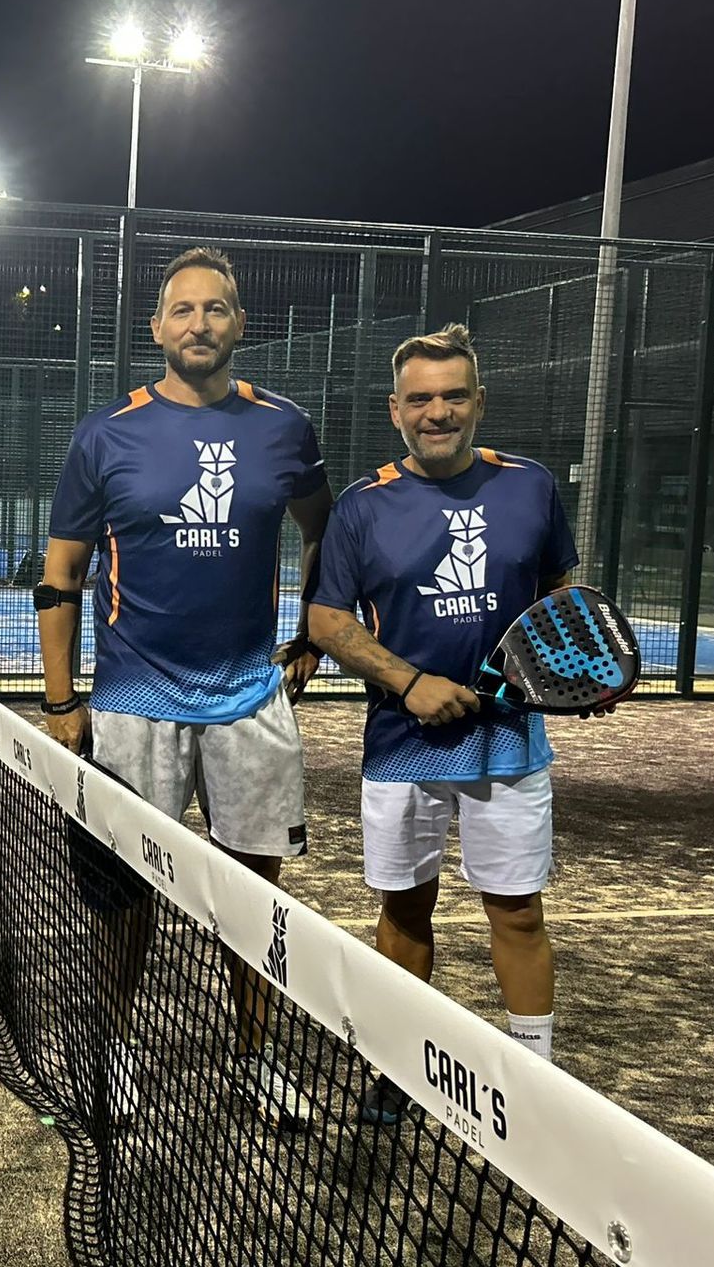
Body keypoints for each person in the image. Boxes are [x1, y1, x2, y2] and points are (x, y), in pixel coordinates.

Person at [36, 246, 332, 1126]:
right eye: (182, 310)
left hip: (250, 698)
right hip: (132, 702)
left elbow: (327, 532)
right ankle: (117, 1047)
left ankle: (256, 1056)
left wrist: (311, 632)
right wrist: (61, 703)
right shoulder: (107, 433)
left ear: (240, 324)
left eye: (216, 309)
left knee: (257, 896)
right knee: (125, 898)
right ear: (158, 327)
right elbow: (60, 576)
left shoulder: (286, 427)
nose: (198, 323)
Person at [307, 323, 592, 1125]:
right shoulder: (362, 508)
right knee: (404, 910)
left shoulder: (530, 485)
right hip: (404, 745)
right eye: (422, 399)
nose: (440, 412)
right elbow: (327, 620)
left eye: (454, 395)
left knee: (518, 909)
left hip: (511, 739)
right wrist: (408, 681)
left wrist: (571, 671)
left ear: (478, 402)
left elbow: (561, 594)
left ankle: (534, 1079)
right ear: (395, 410)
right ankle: (397, 1067)